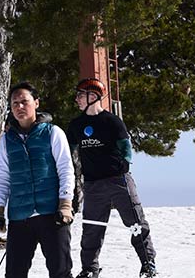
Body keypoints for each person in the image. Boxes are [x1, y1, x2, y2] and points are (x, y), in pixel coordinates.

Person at [66, 78, 158, 278]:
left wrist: (124, 163)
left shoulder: (111, 121)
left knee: (135, 223)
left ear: (94, 96)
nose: (77, 99)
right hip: (92, 184)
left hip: (118, 180)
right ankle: (90, 269)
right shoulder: (76, 124)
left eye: (81, 95)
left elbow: (126, 146)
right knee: (92, 228)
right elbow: (67, 151)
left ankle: (148, 264)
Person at [0, 81, 74, 278]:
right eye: (14, 104)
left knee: (60, 272)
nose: (19, 107)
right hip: (20, 216)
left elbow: (65, 168)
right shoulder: (6, 140)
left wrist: (65, 203)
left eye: (24, 101)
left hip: (52, 214)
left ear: (36, 103)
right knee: (14, 273)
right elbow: (2, 176)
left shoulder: (53, 133)